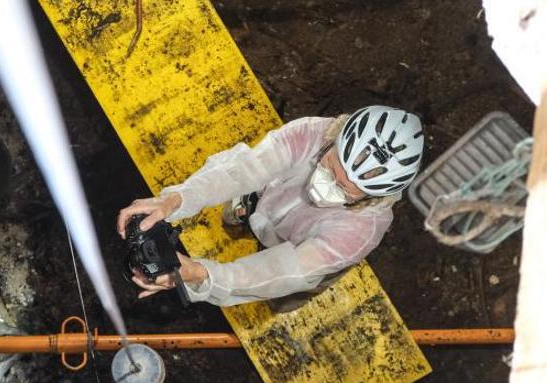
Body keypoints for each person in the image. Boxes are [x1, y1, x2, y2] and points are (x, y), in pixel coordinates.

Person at [117, 105, 424, 306]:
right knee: (242, 206)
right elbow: (243, 169)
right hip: (267, 201)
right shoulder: (313, 133)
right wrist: (177, 199)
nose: (327, 184)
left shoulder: (361, 232)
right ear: (336, 139)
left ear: (371, 197)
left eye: (344, 189)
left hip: (296, 253)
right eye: (330, 166)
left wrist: (203, 276)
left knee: (282, 292)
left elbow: (283, 269)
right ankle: (248, 211)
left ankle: (281, 300)